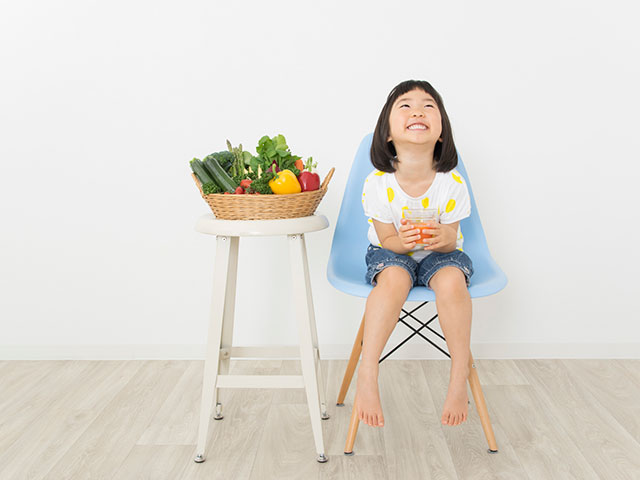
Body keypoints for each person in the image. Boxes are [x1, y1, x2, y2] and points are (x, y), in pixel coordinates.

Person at [358, 79, 474, 428]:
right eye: (405, 105)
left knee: (453, 280)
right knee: (393, 278)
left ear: (441, 132)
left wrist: (443, 238)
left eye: (428, 105)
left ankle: (458, 375)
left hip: (439, 256)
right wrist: (405, 243)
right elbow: (386, 239)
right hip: (392, 251)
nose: (418, 111)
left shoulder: (451, 184)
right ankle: (368, 371)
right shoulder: (378, 184)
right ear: (388, 133)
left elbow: (454, 239)